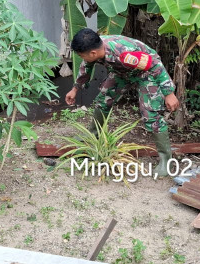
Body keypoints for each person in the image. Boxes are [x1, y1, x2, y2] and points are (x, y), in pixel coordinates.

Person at [65, 28, 180, 177]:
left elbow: (155, 66)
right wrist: (75, 89)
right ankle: (93, 136)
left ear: (93, 53)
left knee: (150, 115)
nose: (82, 58)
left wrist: (169, 93)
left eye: (82, 55)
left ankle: (166, 159)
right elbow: (86, 66)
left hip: (146, 73)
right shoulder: (96, 48)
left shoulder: (123, 53)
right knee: (103, 101)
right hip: (122, 72)